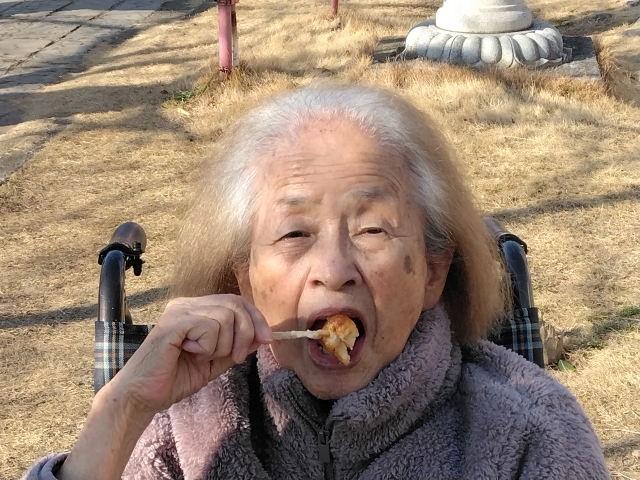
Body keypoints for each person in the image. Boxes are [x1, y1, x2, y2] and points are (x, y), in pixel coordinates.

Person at [25, 83, 609, 480]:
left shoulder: (530, 437)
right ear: (244, 277)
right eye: (294, 233)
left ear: (433, 271)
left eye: (373, 228)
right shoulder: (175, 434)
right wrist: (123, 407)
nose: (333, 268)